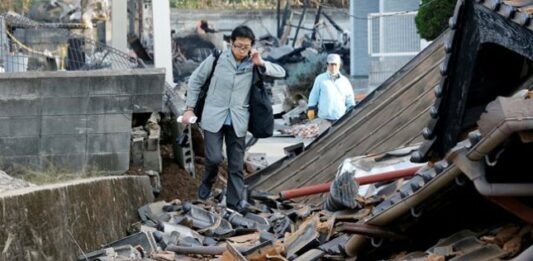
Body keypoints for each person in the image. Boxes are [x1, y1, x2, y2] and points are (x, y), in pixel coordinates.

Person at [182, 25, 286, 211]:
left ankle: (234, 204)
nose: (241, 50)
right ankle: (208, 182)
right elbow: (195, 80)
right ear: (231, 43)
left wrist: (261, 62)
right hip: (213, 116)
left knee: (236, 165)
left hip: (238, 119)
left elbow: (281, 72)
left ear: (251, 46)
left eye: (245, 47)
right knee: (214, 158)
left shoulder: (253, 63)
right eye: (238, 46)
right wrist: (189, 109)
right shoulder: (217, 58)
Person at [307, 53, 355, 122]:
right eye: (331, 64)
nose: (333, 67)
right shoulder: (320, 79)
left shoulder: (345, 81)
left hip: (339, 118)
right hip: (324, 118)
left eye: (335, 64)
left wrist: (351, 107)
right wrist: (311, 107)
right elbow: (314, 94)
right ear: (327, 65)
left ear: (339, 65)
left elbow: (349, 97)